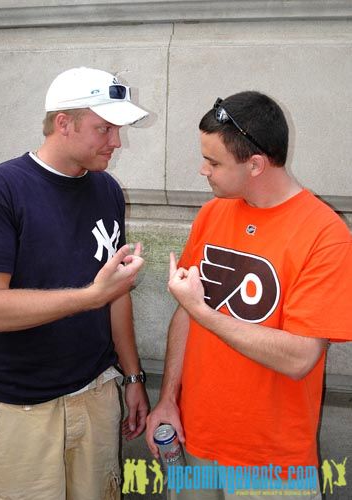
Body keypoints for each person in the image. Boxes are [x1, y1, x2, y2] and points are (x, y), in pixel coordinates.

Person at [146, 91, 352, 499]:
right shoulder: (213, 213)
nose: (203, 170)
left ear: (255, 164)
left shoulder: (325, 235)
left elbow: (299, 357)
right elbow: (185, 315)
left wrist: (201, 312)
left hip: (272, 466)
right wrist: (168, 399)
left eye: (214, 161)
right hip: (196, 442)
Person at [0, 67, 150, 500]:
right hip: (21, 407)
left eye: (116, 129)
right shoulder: (3, 189)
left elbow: (116, 292)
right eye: (104, 128)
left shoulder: (106, 190)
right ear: (64, 123)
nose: (116, 142)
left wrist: (133, 376)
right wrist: (89, 297)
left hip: (97, 391)